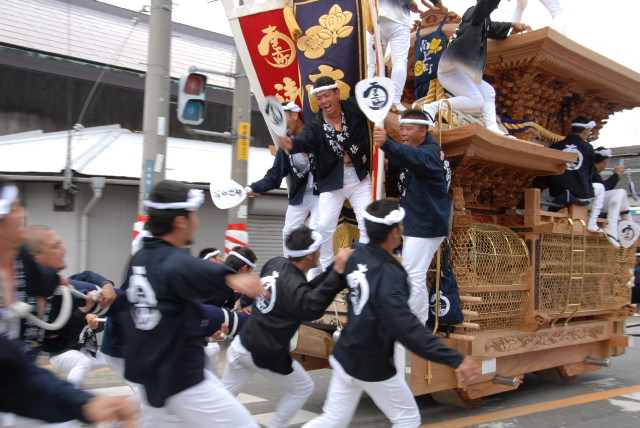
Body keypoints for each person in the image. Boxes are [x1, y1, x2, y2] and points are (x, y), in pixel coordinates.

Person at [302, 199, 480, 428]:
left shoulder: (353, 255)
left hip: (346, 353)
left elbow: (317, 286)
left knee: (333, 420)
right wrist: (454, 358)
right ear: (395, 233)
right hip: (372, 361)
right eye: (401, 227)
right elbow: (405, 327)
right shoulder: (390, 273)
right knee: (407, 420)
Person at [121, 179, 265, 428]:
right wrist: (230, 277)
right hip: (182, 381)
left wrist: (205, 331)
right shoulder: (172, 261)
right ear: (180, 221)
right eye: (194, 215)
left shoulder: (141, 258)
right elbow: (185, 267)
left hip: (154, 379)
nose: (197, 221)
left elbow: (165, 309)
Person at [0, 177, 138, 427]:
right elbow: (13, 367)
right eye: (16, 208)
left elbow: (53, 342)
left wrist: (83, 304)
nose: (24, 214)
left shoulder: (26, 267)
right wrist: (81, 403)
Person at [221, 226, 353, 428]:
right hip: (263, 353)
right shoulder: (295, 288)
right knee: (302, 387)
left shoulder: (275, 263)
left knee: (220, 402)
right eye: (319, 249)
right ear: (310, 255)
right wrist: (336, 272)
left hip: (241, 345)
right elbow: (311, 306)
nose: (320, 252)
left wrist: (335, 270)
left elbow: (305, 291)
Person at [280, 76, 373, 271]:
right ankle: (329, 269)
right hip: (332, 183)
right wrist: (292, 145)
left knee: (367, 223)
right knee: (323, 226)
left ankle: (363, 266)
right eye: (319, 98)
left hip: (359, 177)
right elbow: (304, 142)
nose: (324, 101)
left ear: (337, 93)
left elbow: (372, 94)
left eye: (327, 95)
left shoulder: (353, 107)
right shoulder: (316, 124)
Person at [373, 109, 451, 324]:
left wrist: (387, 143)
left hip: (426, 225)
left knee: (412, 276)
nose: (403, 133)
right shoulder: (417, 151)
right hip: (418, 222)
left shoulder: (429, 153)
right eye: (402, 129)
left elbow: (412, 157)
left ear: (423, 131)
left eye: (408, 129)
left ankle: (415, 327)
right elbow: (402, 159)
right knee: (412, 275)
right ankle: (415, 324)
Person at [422, 0, 529, 133]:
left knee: (488, 92)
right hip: (452, 68)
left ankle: (492, 127)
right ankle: (432, 107)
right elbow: (485, 6)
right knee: (476, 101)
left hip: (460, 69)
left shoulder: (482, 21)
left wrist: (512, 24)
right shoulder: (474, 12)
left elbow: (493, 27)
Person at [247, 102, 319, 253]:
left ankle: (318, 266)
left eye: (283, 118)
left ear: (295, 115)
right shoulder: (285, 147)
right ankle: (289, 264)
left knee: (317, 230)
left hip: (322, 192)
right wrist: (254, 187)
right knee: (288, 232)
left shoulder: (315, 135)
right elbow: (274, 176)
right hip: (300, 194)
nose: (281, 124)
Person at [368, 1, 435, 112]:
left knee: (372, 63)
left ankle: (368, 97)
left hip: (375, 15)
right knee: (399, 61)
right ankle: (395, 101)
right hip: (399, 19)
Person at [546, 117, 602, 230]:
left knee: (543, 194)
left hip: (556, 193)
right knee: (600, 188)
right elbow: (590, 172)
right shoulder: (588, 147)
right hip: (581, 194)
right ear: (586, 131)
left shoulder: (555, 146)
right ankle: (592, 223)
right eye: (589, 132)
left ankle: (546, 220)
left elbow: (550, 172)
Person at [592, 147, 632, 246]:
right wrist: (616, 175)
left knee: (621, 193)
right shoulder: (591, 171)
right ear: (606, 161)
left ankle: (629, 225)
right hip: (590, 202)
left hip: (591, 201)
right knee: (621, 192)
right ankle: (621, 226)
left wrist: (616, 175)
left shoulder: (591, 170)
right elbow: (603, 188)